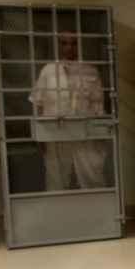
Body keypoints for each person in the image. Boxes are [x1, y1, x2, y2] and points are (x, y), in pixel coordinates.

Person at [29, 32, 107, 190]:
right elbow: (39, 102)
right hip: (55, 131)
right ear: (60, 45)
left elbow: (98, 105)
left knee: (92, 174)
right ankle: (58, 211)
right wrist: (39, 132)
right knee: (56, 176)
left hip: (84, 131)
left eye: (74, 43)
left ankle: (96, 209)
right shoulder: (49, 70)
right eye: (65, 43)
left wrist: (101, 133)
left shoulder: (91, 71)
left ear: (79, 44)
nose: (69, 47)